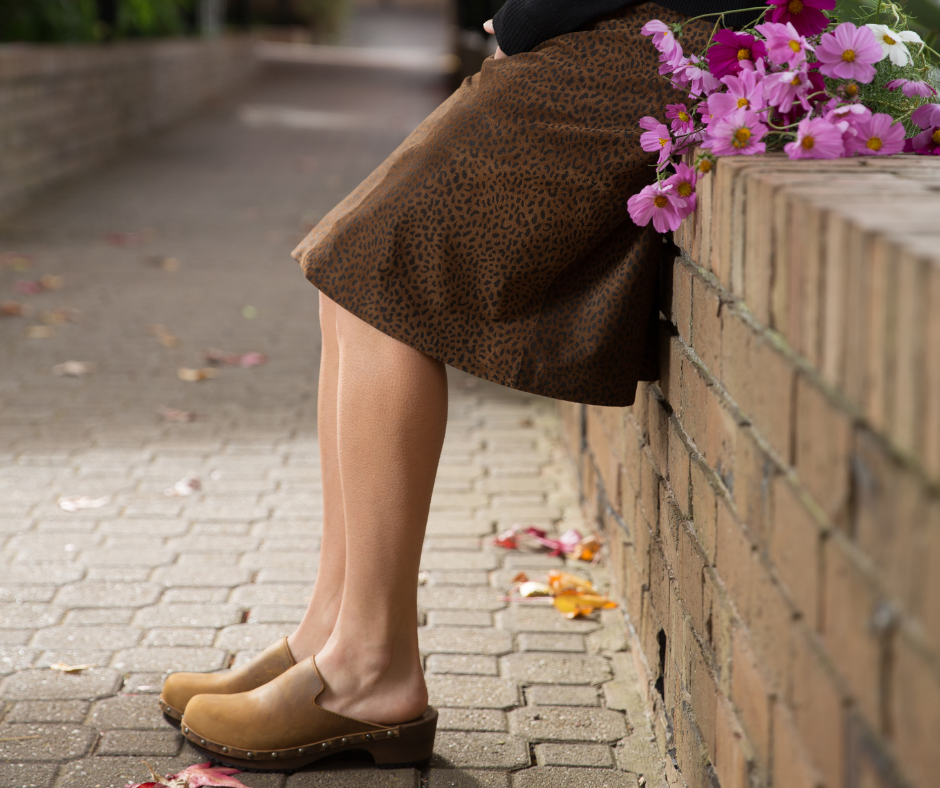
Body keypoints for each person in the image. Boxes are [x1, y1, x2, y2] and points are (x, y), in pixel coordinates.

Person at [158, 0, 759, 770]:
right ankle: (330, 633)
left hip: (664, 37)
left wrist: (533, 18)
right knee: (350, 272)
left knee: (380, 268)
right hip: (651, 31)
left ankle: (370, 669)